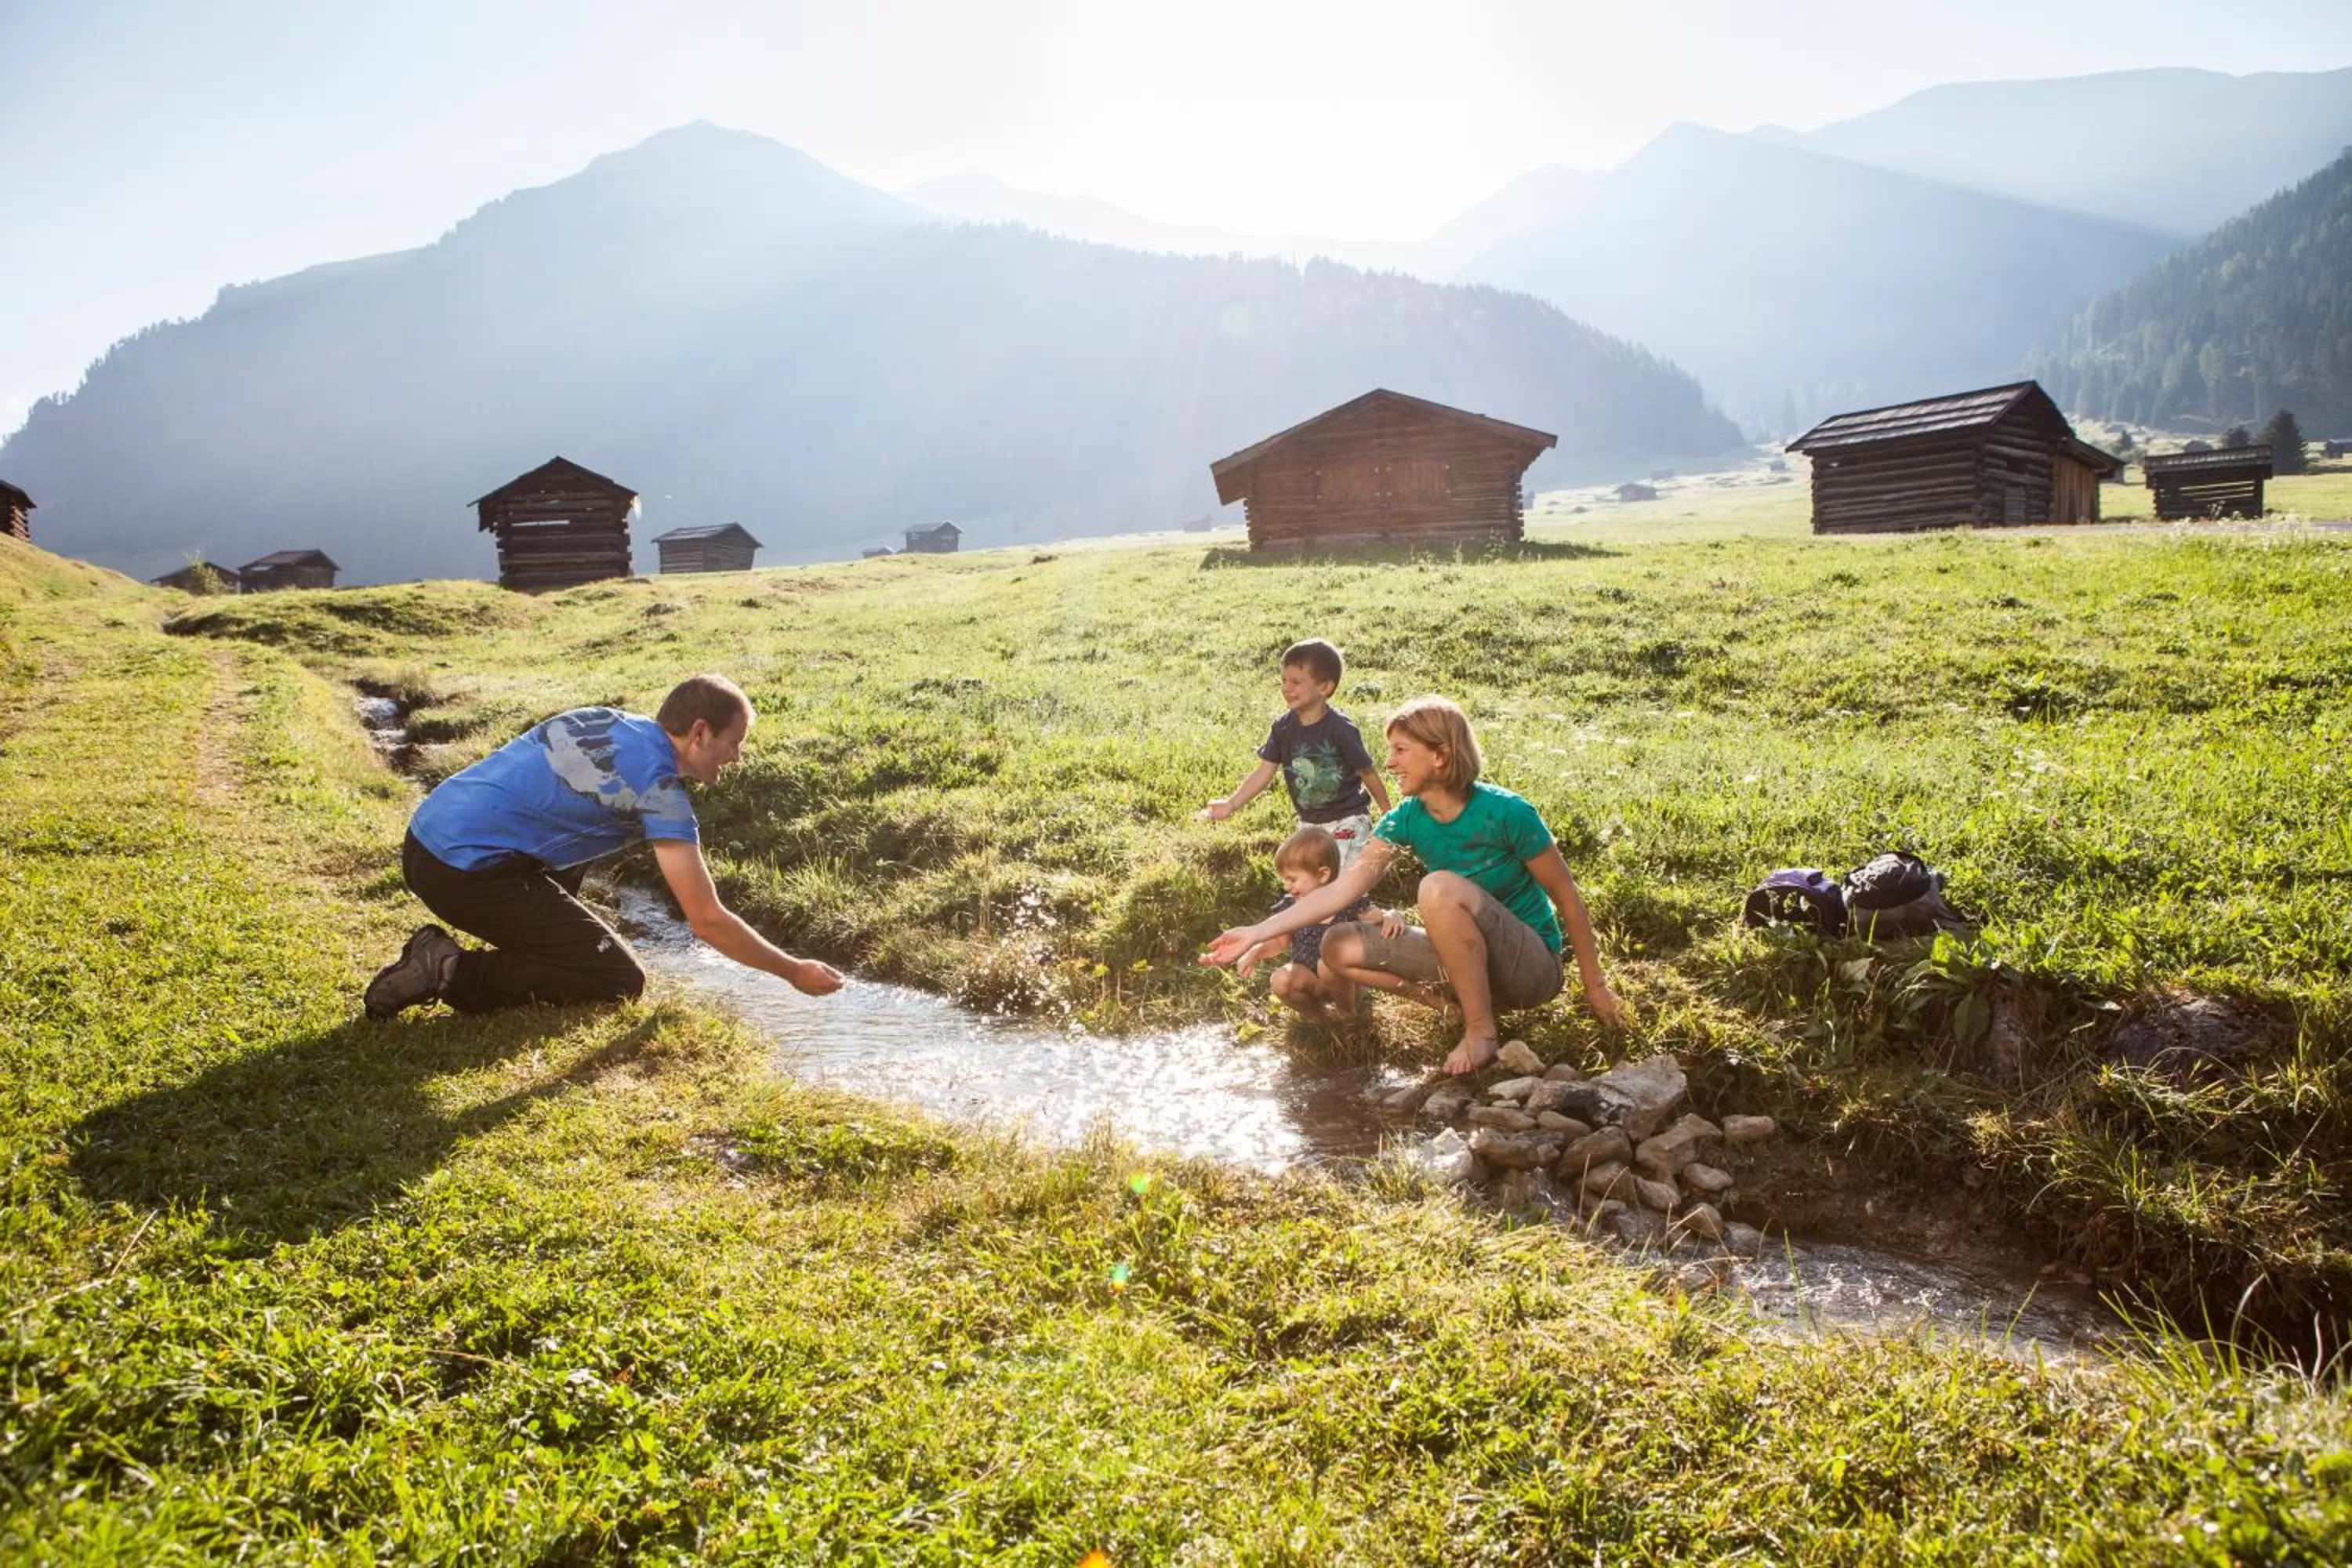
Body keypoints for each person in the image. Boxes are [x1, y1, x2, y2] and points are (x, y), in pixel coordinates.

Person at [363, 673, 844, 1019]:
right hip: (465, 872)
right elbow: (706, 919)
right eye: (734, 742)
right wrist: (793, 970)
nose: (737, 757)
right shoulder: (659, 792)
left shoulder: (606, 720)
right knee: (619, 980)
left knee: (572, 844)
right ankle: (448, 970)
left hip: (425, 838)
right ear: (699, 732)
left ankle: (526, 948)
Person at [1203, 695, 1624, 1073]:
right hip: (1466, 965)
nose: (1389, 763)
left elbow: (1567, 899)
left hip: (1530, 969)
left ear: (1440, 755)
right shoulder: (1404, 819)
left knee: (1438, 887)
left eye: (1401, 750)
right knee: (1338, 944)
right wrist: (1256, 933)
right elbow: (1341, 890)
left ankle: (1481, 1034)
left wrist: (1595, 988)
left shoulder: (1508, 813)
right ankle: (1461, 1007)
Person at [1200, 637, 1392, 867]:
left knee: (1338, 877)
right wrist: (1231, 804)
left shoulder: (1340, 729)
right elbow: (1263, 773)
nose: (1286, 688)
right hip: (1309, 822)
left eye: (1296, 682)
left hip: (1348, 820)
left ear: (1325, 687)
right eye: (1283, 680)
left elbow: (1367, 772)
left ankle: (1353, 902)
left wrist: (1388, 815)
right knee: (1302, 870)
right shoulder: (1283, 728)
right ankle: (1303, 900)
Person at [1232, 825, 1409, 1020]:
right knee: (1280, 980)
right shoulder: (1291, 908)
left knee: (1328, 964)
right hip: (1309, 979)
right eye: (1284, 879)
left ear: (1323, 875)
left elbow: (1379, 916)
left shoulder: (1346, 902)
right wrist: (1255, 952)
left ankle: (1347, 1014)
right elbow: (1279, 943)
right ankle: (1320, 1019)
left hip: (1347, 982)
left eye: (1292, 879)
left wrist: (1392, 915)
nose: (1286, 886)